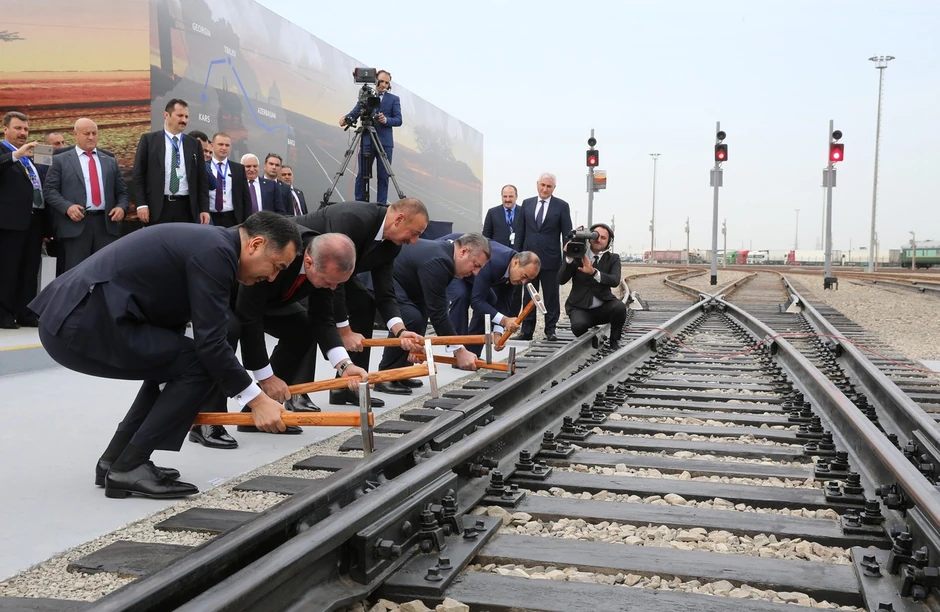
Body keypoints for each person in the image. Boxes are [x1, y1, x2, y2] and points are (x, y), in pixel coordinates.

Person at [28, 211, 303, 499]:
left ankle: (117, 459)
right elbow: (211, 343)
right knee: (200, 363)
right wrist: (257, 401)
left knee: (176, 361)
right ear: (256, 244)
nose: (272, 277)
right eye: (276, 266)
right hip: (80, 323)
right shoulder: (216, 252)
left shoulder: (212, 245)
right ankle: (130, 465)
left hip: (78, 319)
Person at [234, 231, 372, 428]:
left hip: (271, 299)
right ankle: (207, 421)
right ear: (308, 262)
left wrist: (344, 366)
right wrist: (266, 377)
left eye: (338, 283)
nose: (332, 288)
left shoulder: (322, 264)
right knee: (226, 333)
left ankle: (264, 410)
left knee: (302, 328)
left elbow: (323, 318)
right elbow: (250, 318)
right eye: (328, 281)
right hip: (232, 292)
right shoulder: (278, 251)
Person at [296, 199, 429, 404]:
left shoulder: (392, 245)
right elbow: (335, 281)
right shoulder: (353, 219)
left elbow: (385, 292)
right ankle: (298, 393)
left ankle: (347, 385)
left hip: (336, 275)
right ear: (399, 219)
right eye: (415, 233)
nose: (414, 241)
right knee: (308, 320)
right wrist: (344, 330)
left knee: (365, 305)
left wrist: (400, 331)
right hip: (304, 266)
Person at [375, 233, 491, 381]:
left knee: (418, 317)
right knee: (410, 317)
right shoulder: (440, 261)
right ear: (463, 252)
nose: (475, 273)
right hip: (377, 285)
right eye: (475, 265)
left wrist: (417, 343)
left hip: (399, 286)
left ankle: (401, 372)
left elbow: (426, 307)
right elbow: (439, 313)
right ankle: (387, 375)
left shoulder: (446, 256)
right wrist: (459, 350)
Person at [42, 118, 129, 271]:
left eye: (94, 133)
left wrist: (121, 207)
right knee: (76, 274)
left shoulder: (109, 160)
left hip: (105, 226)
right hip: (75, 227)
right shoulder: (60, 160)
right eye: (86, 133)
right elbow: (49, 190)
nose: (91, 137)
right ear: (75, 135)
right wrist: (67, 207)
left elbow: (122, 191)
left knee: (105, 272)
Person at [440, 234, 540, 357]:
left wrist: (498, 333)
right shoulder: (494, 262)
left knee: (490, 300)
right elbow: (477, 301)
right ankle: (459, 352)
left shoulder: (514, 270)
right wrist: (504, 321)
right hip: (454, 261)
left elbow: (504, 302)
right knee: (461, 295)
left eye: (528, 280)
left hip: (472, 270)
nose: (524, 282)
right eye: (524, 276)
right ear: (516, 263)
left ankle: (472, 353)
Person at [0, 111, 46, 329]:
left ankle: (26, 313)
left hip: (33, 220)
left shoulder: (29, 155)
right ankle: (3, 314)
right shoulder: (7, 152)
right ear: (5, 128)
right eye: (18, 128)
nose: (23, 133)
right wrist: (16, 155)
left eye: (26, 129)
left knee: (29, 269)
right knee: (8, 270)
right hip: (9, 222)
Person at [513, 172, 572, 341]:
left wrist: (566, 259)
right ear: (537, 184)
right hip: (528, 260)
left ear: (554, 188)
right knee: (529, 295)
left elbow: (567, 234)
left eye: (549, 186)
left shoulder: (561, 206)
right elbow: (520, 232)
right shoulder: (527, 204)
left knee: (551, 296)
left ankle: (550, 330)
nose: (545, 189)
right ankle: (526, 331)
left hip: (550, 260)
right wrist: (516, 255)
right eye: (543, 185)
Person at [132, 98, 210, 225]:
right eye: (180, 115)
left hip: (187, 208)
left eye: (186, 116)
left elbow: (202, 180)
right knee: (159, 244)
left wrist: (204, 209)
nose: (184, 120)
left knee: (184, 244)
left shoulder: (194, 144)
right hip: (158, 207)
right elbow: (138, 175)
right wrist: (141, 204)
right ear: (166, 115)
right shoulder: (149, 140)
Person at [558, 223, 626, 349]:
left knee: (620, 308)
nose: (598, 240)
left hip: (603, 307)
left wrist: (594, 273)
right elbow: (561, 280)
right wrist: (568, 258)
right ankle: (591, 342)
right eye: (595, 236)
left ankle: (614, 341)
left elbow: (615, 280)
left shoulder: (613, 258)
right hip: (580, 307)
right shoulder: (578, 254)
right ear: (589, 238)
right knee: (578, 326)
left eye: (603, 238)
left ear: (609, 242)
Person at [339, 70, 401, 204]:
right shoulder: (366, 96)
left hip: (385, 143)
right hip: (367, 140)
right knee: (362, 173)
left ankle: (381, 205)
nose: (384, 85)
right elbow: (357, 110)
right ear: (376, 80)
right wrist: (346, 118)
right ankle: (360, 203)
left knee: (383, 176)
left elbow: (398, 120)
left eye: (387, 83)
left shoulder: (394, 99)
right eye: (382, 81)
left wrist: (386, 120)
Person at [206, 133, 253, 228]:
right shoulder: (204, 166)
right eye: (220, 144)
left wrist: (247, 222)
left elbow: (246, 197)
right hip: (210, 217)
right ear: (212, 145)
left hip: (232, 218)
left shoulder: (238, 169)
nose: (224, 148)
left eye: (227, 145)